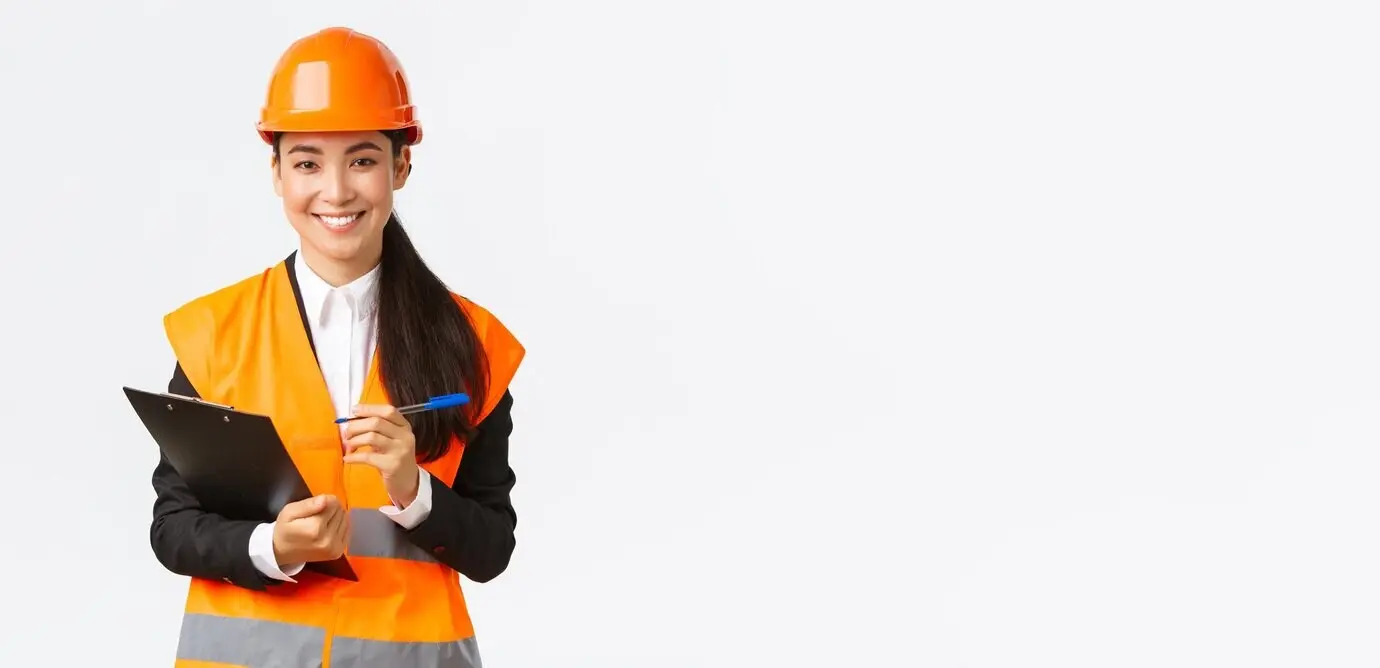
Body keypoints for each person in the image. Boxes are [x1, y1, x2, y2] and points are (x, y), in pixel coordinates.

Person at [147, 26, 525, 667]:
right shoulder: (216, 335)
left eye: (362, 159)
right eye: (307, 162)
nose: (336, 190)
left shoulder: (470, 345)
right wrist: (272, 548)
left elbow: (491, 550)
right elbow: (173, 530)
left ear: (401, 165)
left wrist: (414, 490)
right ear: (276, 172)